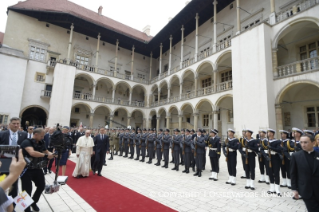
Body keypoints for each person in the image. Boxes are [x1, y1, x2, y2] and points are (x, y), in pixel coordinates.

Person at [20, 128, 55, 212]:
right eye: (41, 136)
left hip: (37, 168)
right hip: (26, 169)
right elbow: (32, 153)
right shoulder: (26, 142)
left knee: (41, 186)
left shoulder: (41, 142)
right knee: (26, 190)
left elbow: (45, 150)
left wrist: (52, 154)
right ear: (36, 135)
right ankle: (26, 208)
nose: (43, 137)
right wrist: (45, 156)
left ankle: (33, 202)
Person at [0, 117, 27, 200]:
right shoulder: (2, 134)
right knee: (3, 181)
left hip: (17, 163)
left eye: (17, 123)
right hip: (3, 162)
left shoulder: (23, 134)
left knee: (14, 184)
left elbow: (25, 148)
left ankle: (13, 205)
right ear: (9, 124)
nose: (16, 125)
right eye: (14, 123)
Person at [291, 134, 319, 212]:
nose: (303, 145)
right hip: (306, 190)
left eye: (306, 142)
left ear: (313, 143)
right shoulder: (296, 156)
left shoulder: (318, 155)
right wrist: (294, 189)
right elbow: (293, 173)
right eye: (301, 142)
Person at [265, 129, 283, 196]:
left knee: (276, 173)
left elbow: (279, 149)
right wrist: (265, 156)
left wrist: (271, 147)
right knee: (270, 173)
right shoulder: (265, 141)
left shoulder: (277, 141)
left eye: (269, 132)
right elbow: (261, 149)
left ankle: (277, 189)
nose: (267, 133)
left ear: (272, 134)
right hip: (268, 158)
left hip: (275, 159)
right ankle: (272, 188)